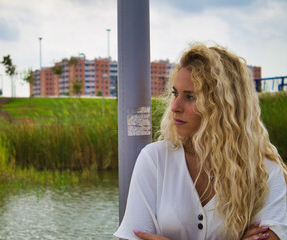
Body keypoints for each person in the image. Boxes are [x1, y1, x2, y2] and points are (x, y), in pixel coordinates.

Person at [114, 43, 287, 240]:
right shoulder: (155, 159)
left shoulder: (266, 172)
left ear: (222, 105)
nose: (175, 107)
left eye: (190, 97)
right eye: (175, 93)